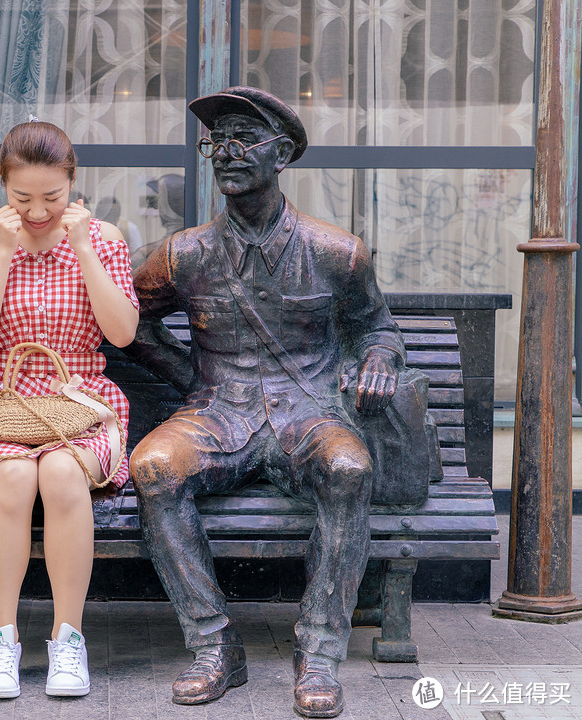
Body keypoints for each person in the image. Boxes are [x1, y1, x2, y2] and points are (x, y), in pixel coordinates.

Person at [125, 87, 405, 718]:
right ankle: (213, 644)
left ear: (282, 154)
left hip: (308, 412)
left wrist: (380, 361)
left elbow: (377, 329)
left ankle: (321, 652)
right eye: (216, 141)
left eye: (243, 139)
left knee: (349, 469)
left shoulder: (337, 252)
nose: (226, 153)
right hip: (217, 412)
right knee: (153, 467)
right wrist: (188, 375)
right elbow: (130, 323)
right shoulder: (184, 254)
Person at [0, 120, 139, 699]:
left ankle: (67, 639)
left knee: (59, 471)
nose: (38, 211)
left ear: (73, 184)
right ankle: (0, 641)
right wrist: (2, 252)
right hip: (5, 398)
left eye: (52, 197)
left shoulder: (103, 239)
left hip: (83, 399)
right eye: (23, 198)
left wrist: (80, 247)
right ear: (4, 188)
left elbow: (122, 334)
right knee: (16, 476)